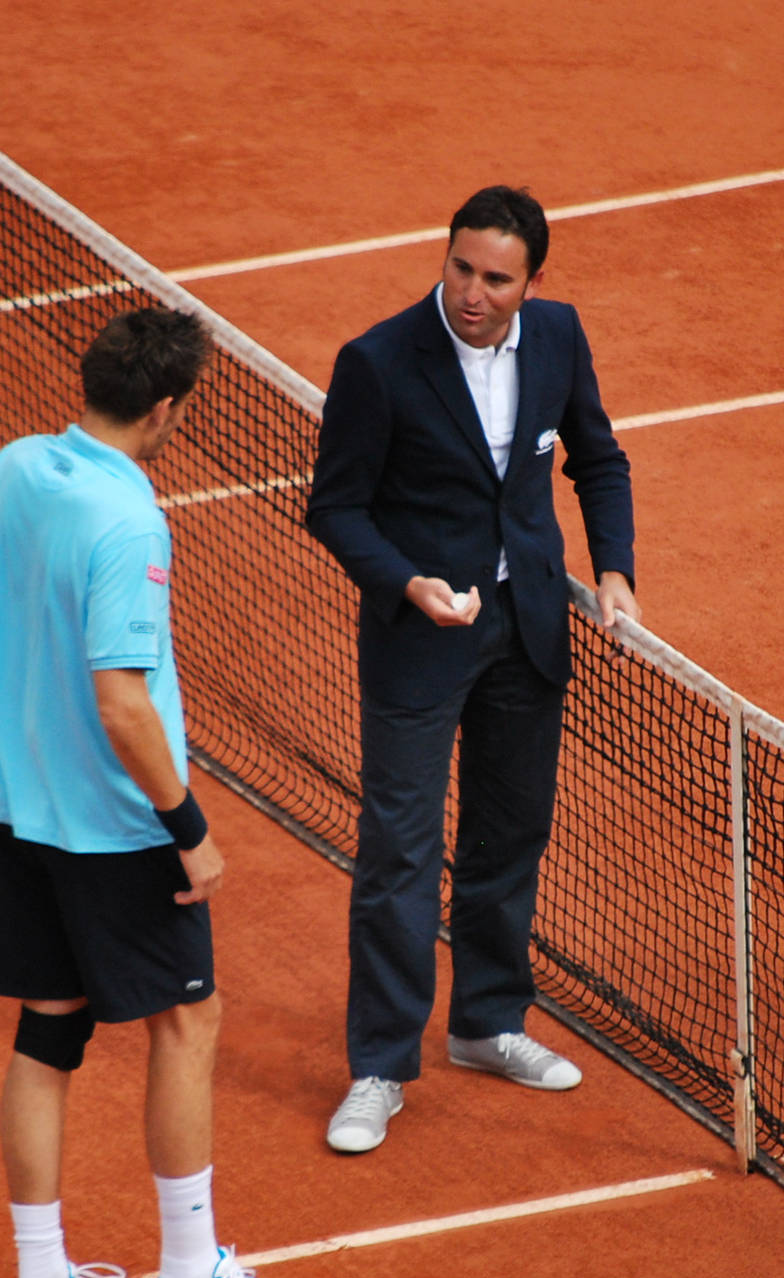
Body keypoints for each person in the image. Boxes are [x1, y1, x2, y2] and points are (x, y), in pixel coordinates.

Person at [0, 308, 320, 1278]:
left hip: (21, 815)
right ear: (165, 409)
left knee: (48, 1029)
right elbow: (122, 703)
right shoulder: (128, 520)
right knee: (185, 1026)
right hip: (115, 831)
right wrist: (189, 827)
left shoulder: (15, 465)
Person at [307, 185, 639, 1155]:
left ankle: (487, 1024)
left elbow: (598, 458)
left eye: (497, 278)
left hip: (525, 624)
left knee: (508, 834)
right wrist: (407, 582)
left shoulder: (560, 338)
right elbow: (336, 508)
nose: (473, 293)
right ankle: (378, 1064)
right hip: (420, 634)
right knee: (400, 853)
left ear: (533, 283)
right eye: (460, 269)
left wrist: (613, 570)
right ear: (443, 258)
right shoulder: (378, 363)